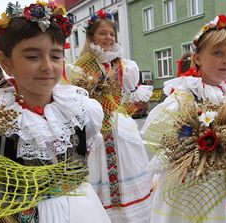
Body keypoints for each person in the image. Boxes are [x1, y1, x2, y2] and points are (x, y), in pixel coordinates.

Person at [0, 1, 111, 222]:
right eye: (32, 57)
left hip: (83, 211)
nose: (47, 66)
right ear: (5, 61)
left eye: (55, 56)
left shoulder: (80, 109)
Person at [142, 15, 226, 223]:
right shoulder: (185, 93)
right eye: (218, 53)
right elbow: (158, 134)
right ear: (198, 58)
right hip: (194, 177)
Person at [72, 9, 153, 223]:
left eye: (111, 34)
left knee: (129, 161)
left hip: (118, 122)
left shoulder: (122, 64)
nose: (108, 38)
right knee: (98, 169)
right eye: (102, 33)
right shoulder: (83, 65)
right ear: (91, 37)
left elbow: (127, 95)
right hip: (95, 126)